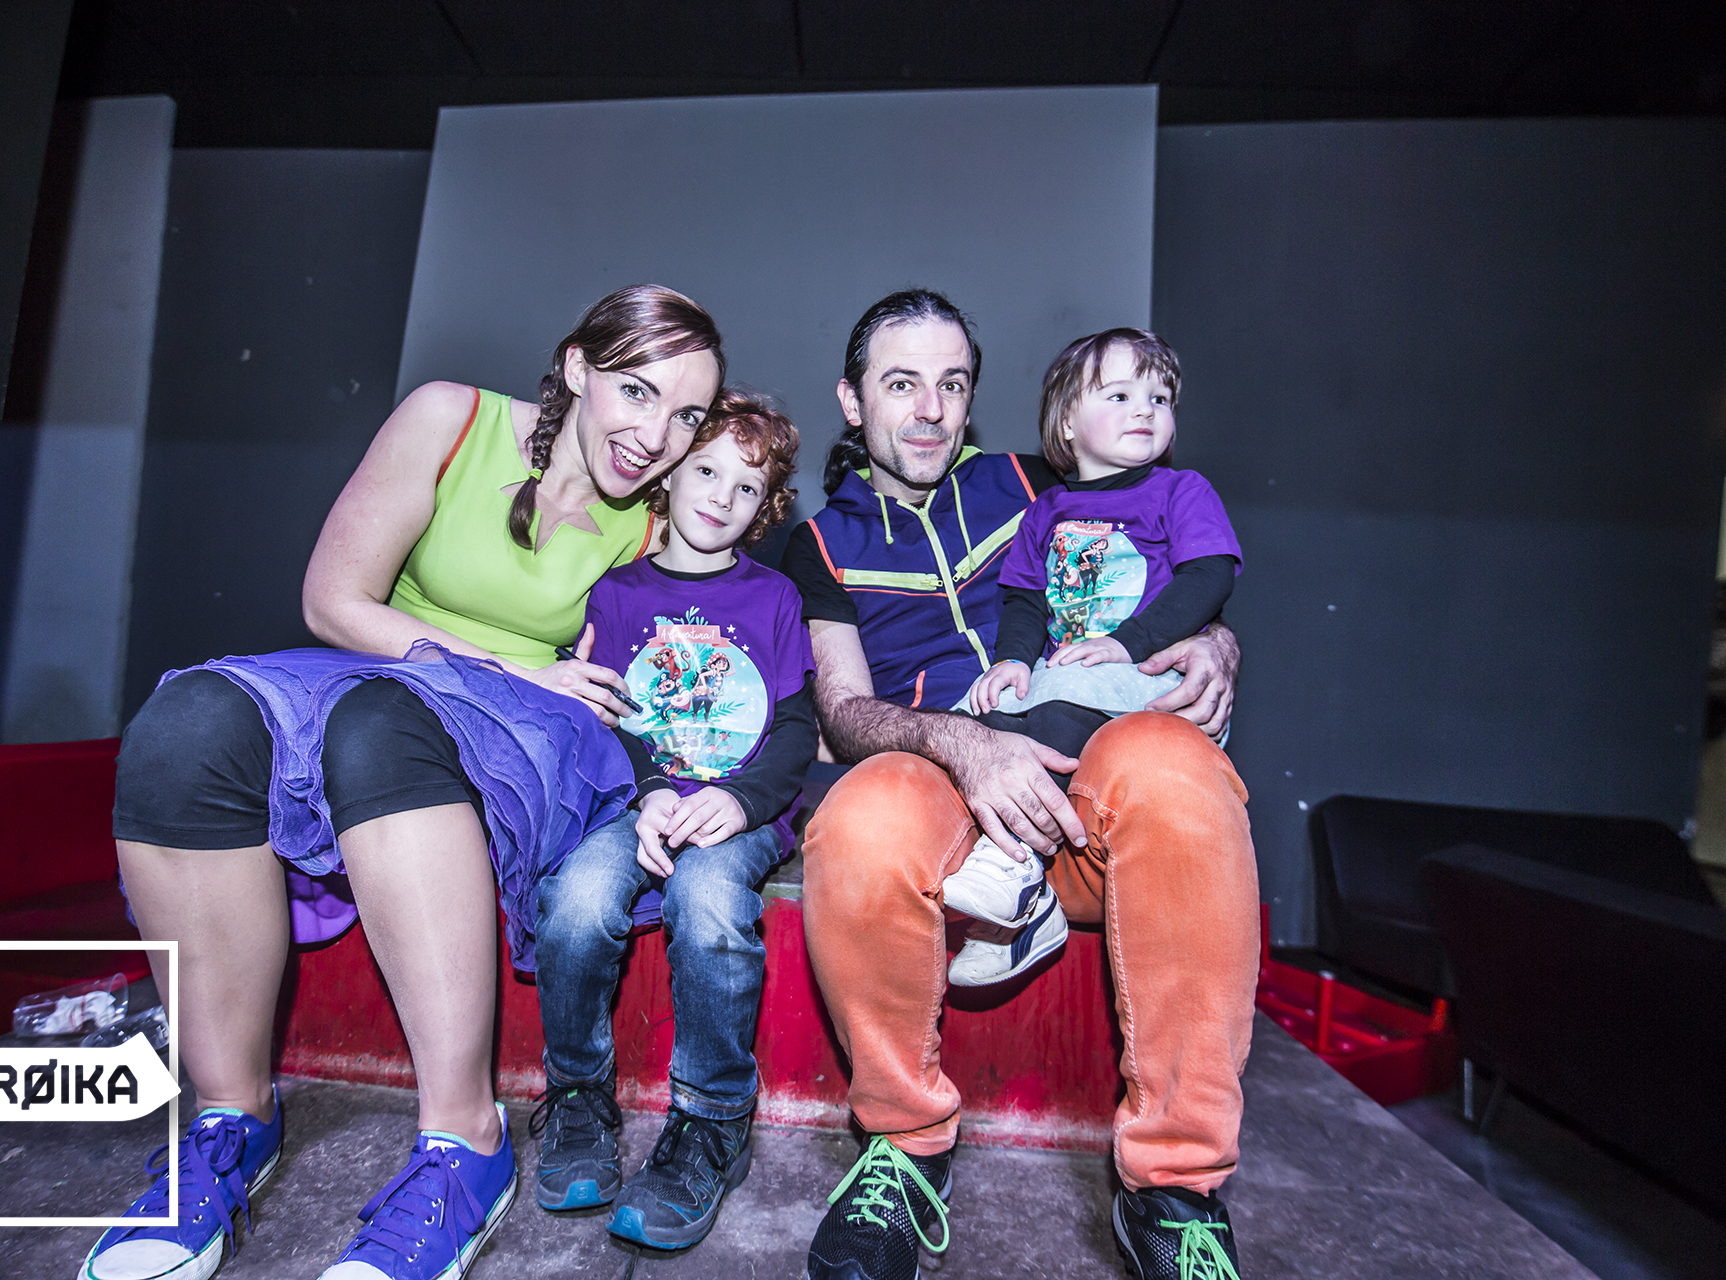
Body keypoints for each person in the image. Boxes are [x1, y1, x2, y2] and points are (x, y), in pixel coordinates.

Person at [78, 285, 725, 1280]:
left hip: (525, 730)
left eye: (687, 415)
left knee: (384, 728)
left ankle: (466, 1143)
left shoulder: (663, 519)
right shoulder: (451, 419)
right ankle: (228, 1118)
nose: (656, 437)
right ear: (577, 366)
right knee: (184, 727)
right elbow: (333, 599)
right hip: (389, 667)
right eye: (637, 391)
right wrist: (501, 665)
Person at [779, 290, 1256, 1280]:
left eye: (952, 384)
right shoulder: (818, 545)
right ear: (852, 401)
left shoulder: (1036, 482)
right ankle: (906, 1151)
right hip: (948, 793)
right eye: (901, 384)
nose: (930, 409)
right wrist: (963, 743)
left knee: (1181, 769)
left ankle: (1176, 1188)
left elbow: (1171, 557)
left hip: (1097, 783)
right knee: (859, 816)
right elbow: (845, 712)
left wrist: (1215, 638)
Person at [531, 390, 815, 1251]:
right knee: (576, 902)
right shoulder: (617, 593)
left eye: (746, 487)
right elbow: (606, 713)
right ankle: (578, 1095)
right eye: (707, 472)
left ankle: (713, 1119)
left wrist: (740, 801)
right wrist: (652, 789)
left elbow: (795, 728)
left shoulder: (774, 597)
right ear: (669, 475)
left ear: (764, 507)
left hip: (738, 809)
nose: (722, 496)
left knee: (708, 899)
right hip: (637, 799)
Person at [942, 327, 1242, 987]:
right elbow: (1026, 600)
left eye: (1160, 399)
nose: (1146, 410)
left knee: (1059, 700)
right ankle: (1021, 912)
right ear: (1067, 423)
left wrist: (1127, 643)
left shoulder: (1180, 491)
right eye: (1121, 395)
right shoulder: (1047, 510)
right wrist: (1012, 662)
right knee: (979, 715)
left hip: (1152, 682)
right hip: (1072, 683)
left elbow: (1209, 576)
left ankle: (1014, 866)